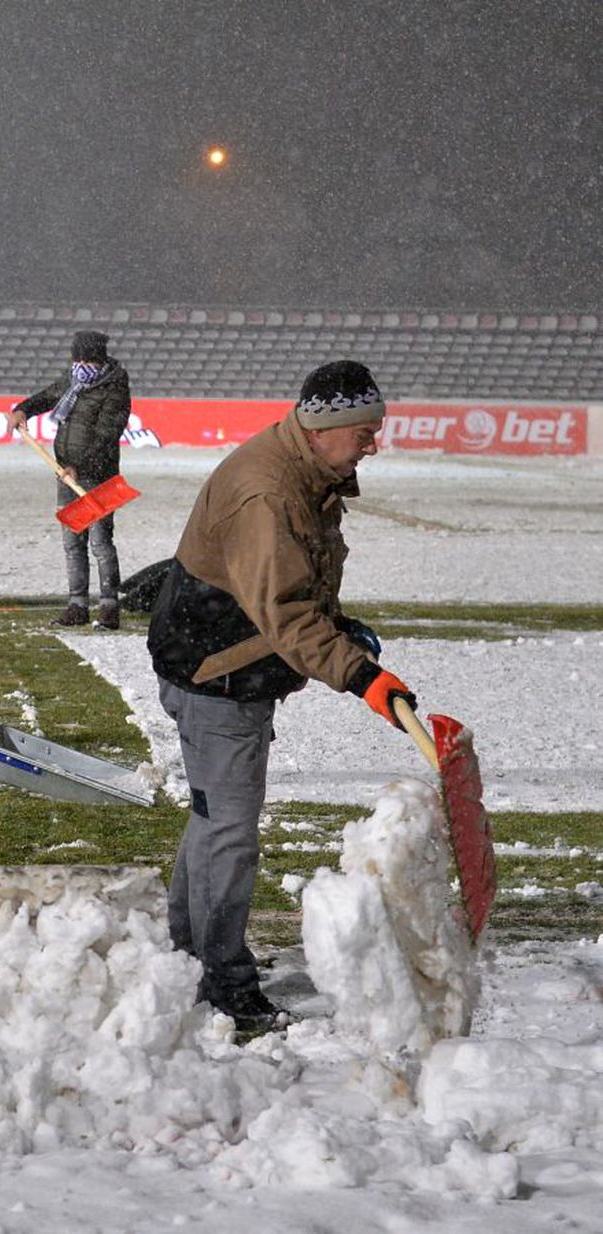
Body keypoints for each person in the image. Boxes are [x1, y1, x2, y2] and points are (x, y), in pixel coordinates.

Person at [145, 360, 416, 1034]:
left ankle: (189, 953)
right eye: (363, 431)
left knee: (213, 819)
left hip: (220, 666)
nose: (373, 443)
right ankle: (223, 981)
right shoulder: (267, 493)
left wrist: (339, 625)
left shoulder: (304, 472)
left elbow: (299, 585)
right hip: (219, 675)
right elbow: (286, 616)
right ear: (323, 429)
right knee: (230, 831)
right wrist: (362, 676)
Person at [7, 330, 132, 629]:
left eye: (82, 358)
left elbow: (106, 435)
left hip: (98, 476)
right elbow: (49, 396)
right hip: (66, 474)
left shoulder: (114, 388)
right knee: (72, 542)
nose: (77, 363)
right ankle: (77, 605)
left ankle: (108, 606)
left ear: (95, 358)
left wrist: (79, 465)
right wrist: (22, 409)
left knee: (101, 543)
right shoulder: (75, 379)